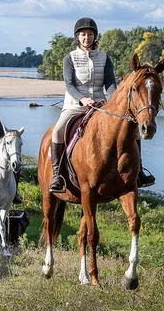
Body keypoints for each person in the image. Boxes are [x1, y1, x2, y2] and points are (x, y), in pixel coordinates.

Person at [49, 17, 118, 193]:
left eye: (90, 34)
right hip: (75, 104)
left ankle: (137, 170)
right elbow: (69, 85)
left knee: (127, 127)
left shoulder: (104, 58)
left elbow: (110, 84)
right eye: (83, 34)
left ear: (95, 36)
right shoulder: (69, 58)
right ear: (77, 37)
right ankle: (57, 174)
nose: (86, 38)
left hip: (100, 105)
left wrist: (113, 100)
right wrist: (82, 99)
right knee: (57, 130)